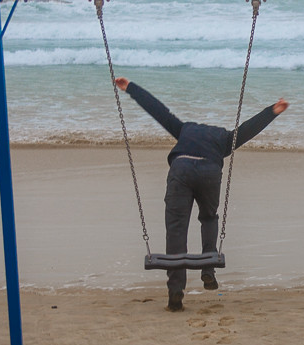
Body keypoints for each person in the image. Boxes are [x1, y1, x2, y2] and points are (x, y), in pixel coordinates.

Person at [115, 77, 289, 312]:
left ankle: (175, 291)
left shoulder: (184, 129)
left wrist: (130, 88)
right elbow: (247, 129)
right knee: (208, 217)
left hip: (181, 168)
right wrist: (272, 111)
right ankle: (208, 268)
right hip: (209, 171)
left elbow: (158, 111)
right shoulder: (225, 138)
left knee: (176, 229)